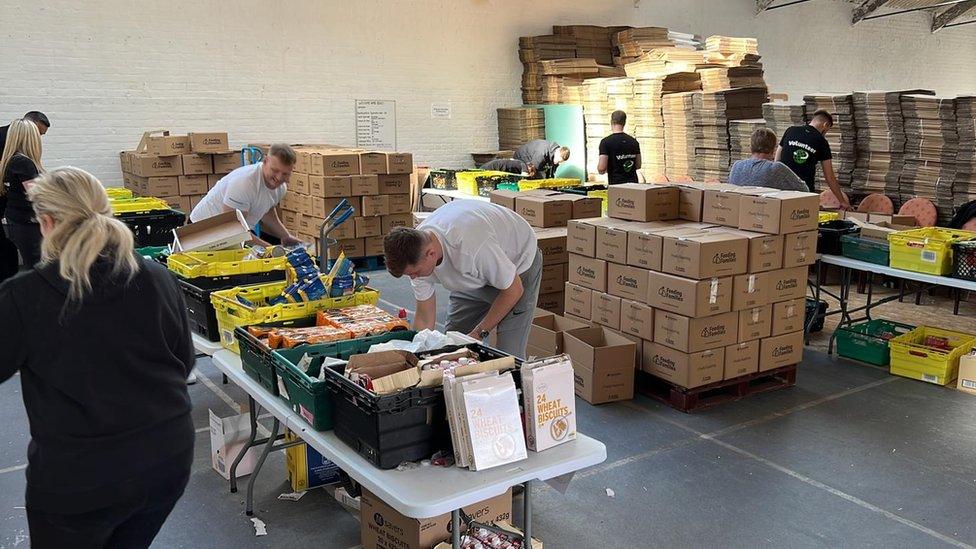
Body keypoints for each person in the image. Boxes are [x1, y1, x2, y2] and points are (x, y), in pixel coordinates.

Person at [0, 167, 194, 548]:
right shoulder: (157, 277)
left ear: (48, 222)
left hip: (80, 482)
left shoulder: (25, 297)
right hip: (166, 462)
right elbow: (183, 363)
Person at [383, 200, 542, 358]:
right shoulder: (416, 251)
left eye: (415, 272)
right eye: (410, 274)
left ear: (431, 254)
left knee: (508, 355)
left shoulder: (471, 247)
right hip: (472, 275)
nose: (413, 277)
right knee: (453, 344)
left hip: (518, 265)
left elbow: (513, 290)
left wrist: (479, 333)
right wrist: (416, 354)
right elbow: (424, 319)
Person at [190, 143, 301, 246]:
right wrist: (270, 249)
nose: (279, 178)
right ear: (265, 161)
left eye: (285, 173)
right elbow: (232, 227)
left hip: (230, 232)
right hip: (200, 232)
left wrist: (285, 236)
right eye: (275, 170)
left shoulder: (280, 187)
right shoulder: (244, 183)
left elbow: (267, 211)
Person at [776, 109, 850, 208]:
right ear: (825, 124)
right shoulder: (821, 142)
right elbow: (829, 177)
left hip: (782, 191)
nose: (825, 133)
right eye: (827, 130)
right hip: (804, 193)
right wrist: (842, 201)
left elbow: (776, 160)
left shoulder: (790, 130)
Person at [0, 119, 44, 268]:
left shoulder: (10, 160)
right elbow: (36, 195)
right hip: (26, 223)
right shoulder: (23, 162)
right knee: (37, 267)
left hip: (15, 220)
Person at [729, 128, 807, 191]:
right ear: (773, 149)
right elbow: (804, 190)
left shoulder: (737, 166)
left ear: (751, 148)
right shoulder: (776, 168)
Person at [598, 110, 641, 184]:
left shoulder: (606, 142)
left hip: (617, 185)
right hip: (634, 185)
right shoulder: (634, 142)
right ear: (624, 122)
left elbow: (602, 168)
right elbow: (638, 165)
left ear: (611, 122)